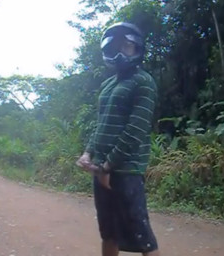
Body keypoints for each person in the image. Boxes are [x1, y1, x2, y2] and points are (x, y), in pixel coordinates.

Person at [76, 22, 159, 256]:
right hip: (101, 168)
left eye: (128, 46)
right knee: (108, 232)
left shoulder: (144, 82)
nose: (122, 53)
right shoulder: (107, 85)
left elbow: (136, 129)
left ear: (138, 49)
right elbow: (101, 125)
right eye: (116, 47)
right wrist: (87, 153)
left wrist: (108, 165)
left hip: (127, 170)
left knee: (142, 234)